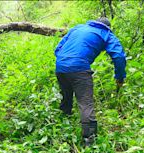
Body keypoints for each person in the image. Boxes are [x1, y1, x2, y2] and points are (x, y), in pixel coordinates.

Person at [54, 17, 126, 146]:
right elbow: (119, 56)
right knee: (85, 102)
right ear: (108, 27)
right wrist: (119, 77)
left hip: (60, 66)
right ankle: (90, 139)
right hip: (79, 69)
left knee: (66, 95)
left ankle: (63, 121)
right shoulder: (106, 34)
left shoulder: (78, 27)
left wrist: (65, 61)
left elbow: (58, 48)